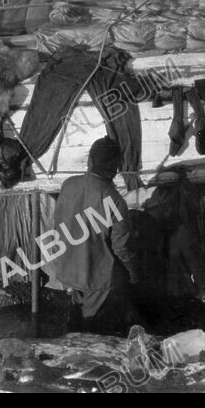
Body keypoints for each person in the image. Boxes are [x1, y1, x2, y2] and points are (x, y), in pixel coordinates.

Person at [47, 136, 140, 334]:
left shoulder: (68, 185)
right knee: (95, 332)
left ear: (90, 161)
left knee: (76, 324)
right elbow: (122, 247)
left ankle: (71, 356)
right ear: (116, 167)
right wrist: (133, 272)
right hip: (98, 279)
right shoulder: (113, 200)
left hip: (69, 272)